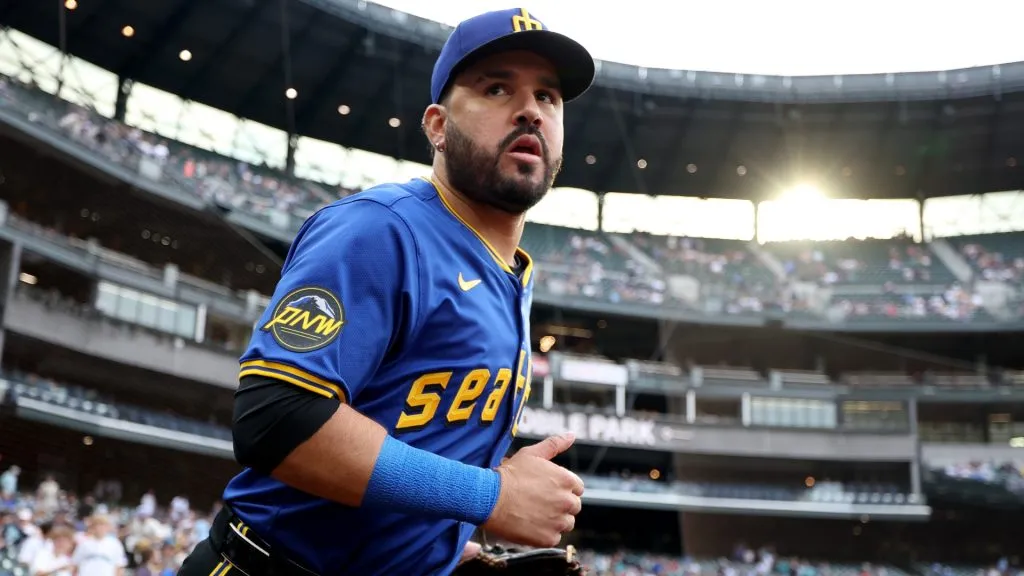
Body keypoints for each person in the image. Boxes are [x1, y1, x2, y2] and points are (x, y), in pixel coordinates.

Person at [176, 7, 595, 576]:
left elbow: (415, 442)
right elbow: (277, 417)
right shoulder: (381, 228)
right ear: (438, 126)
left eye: (548, 97)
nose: (529, 110)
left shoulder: (513, 271)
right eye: (497, 88)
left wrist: (448, 553)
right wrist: (490, 497)